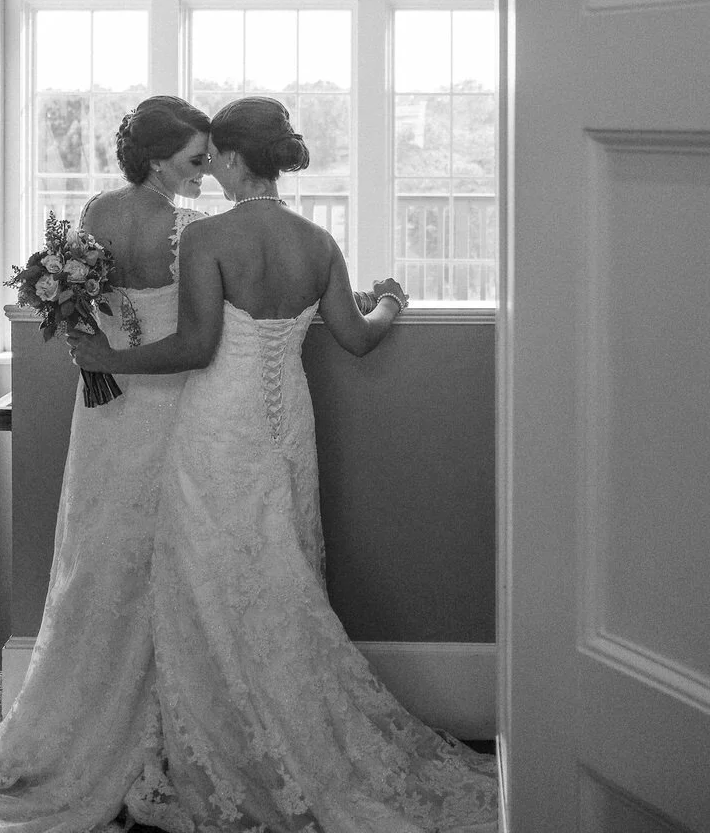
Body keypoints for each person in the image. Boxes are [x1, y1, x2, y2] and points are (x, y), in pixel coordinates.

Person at [70, 95, 498, 833]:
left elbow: (195, 346)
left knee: (206, 578)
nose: (209, 167)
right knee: (283, 570)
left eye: (214, 156)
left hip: (215, 426)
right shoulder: (316, 240)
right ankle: (295, 732)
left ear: (233, 158)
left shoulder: (206, 238)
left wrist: (113, 358)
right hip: (287, 427)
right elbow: (357, 337)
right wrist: (390, 301)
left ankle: (220, 743)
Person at [0, 96, 213, 833]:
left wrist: (96, 359)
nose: (204, 168)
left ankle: (90, 714)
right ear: (157, 159)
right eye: (193, 156)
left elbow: (82, 305)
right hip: (168, 401)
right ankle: (155, 729)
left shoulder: (95, 209)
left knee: (100, 554)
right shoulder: (190, 227)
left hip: (106, 407)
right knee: (158, 553)